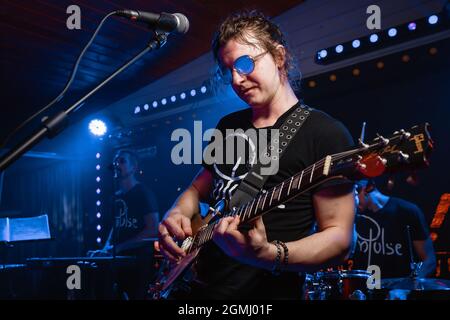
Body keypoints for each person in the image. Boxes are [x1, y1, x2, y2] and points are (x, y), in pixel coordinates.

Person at [157, 10, 356, 299]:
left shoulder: (324, 133)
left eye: (245, 63)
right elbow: (196, 189)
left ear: (278, 57)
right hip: (196, 291)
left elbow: (339, 238)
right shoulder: (228, 126)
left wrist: (268, 254)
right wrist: (177, 212)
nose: (237, 79)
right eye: (229, 71)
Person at [92, 149, 160, 299]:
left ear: (133, 168)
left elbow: (153, 230)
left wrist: (119, 247)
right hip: (118, 261)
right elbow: (115, 226)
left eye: (122, 161)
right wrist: (105, 249)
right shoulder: (115, 196)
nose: (117, 164)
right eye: (116, 161)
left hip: (139, 262)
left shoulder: (143, 193)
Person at [349, 179, 436, 279]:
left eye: (355, 194)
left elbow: (429, 260)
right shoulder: (354, 214)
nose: (353, 200)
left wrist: (406, 288)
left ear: (368, 188)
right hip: (360, 291)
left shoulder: (407, 211)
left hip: (397, 290)